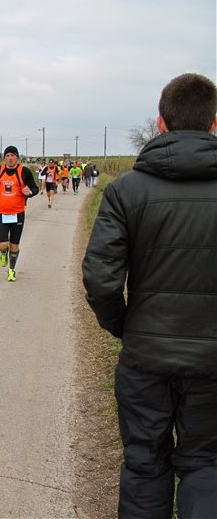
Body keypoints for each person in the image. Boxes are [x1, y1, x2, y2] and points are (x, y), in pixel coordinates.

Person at [82, 72, 217, 518]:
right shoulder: (128, 189)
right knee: (207, 465)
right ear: (214, 123)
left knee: (144, 463)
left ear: (160, 123)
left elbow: (101, 277)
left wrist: (124, 326)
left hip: (146, 357)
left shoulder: (126, 190)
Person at [0, 146, 38, 281]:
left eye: (13, 155)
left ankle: (11, 270)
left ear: (17, 157)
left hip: (18, 213)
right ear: (5, 158)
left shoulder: (24, 171)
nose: (10, 158)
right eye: (8, 155)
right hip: (1, 213)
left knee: (14, 246)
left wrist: (30, 192)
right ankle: (4, 252)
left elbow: (35, 188)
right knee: (2, 245)